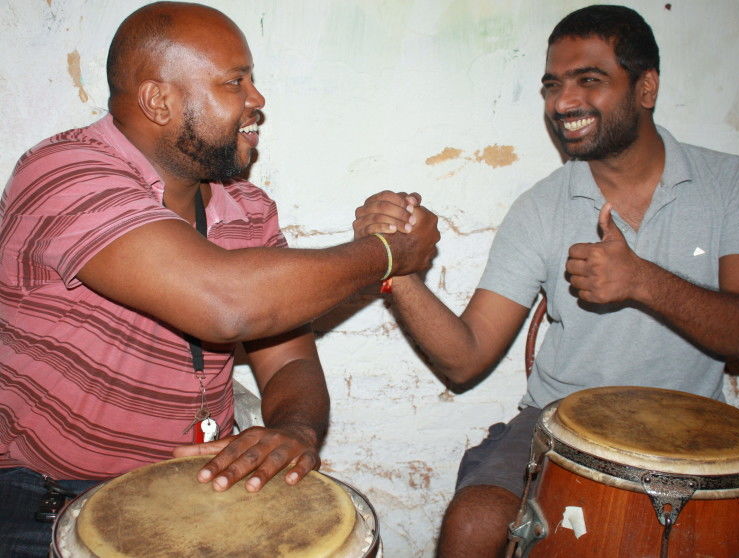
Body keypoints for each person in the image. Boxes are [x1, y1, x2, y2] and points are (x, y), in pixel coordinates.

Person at [0, 2, 439, 556]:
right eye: (236, 81)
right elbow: (225, 301)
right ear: (159, 100)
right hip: (42, 495)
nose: (257, 100)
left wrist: (296, 429)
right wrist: (390, 253)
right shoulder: (64, 172)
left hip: (198, 491)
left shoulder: (249, 209)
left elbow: (292, 359)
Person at [353, 5, 739, 557]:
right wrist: (398, 269)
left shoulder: (732, 183)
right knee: (474, 522)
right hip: (557, 424)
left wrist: (641, 280)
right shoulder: (541, 207)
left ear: (645, 87)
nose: (563, 103)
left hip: (692, 428)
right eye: (553, 85)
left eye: (589, 81)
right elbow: (467, 357)